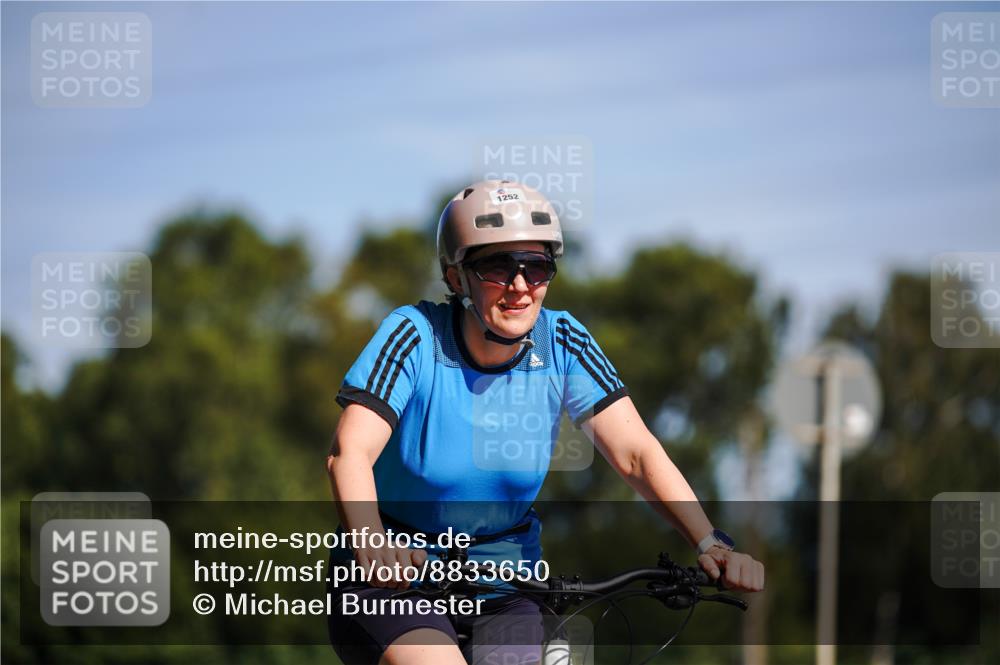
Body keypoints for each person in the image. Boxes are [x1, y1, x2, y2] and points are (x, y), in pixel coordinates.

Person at [326, 180, 764, 665]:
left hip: (507, 586)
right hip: (395, 582)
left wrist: (709, 541)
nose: (519, 287)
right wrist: (370, 542)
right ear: (455, 277)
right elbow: (350, 453)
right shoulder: (414, 335)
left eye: (536, 268)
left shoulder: (562, 342)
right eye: (496, 266)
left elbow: (636, 454)